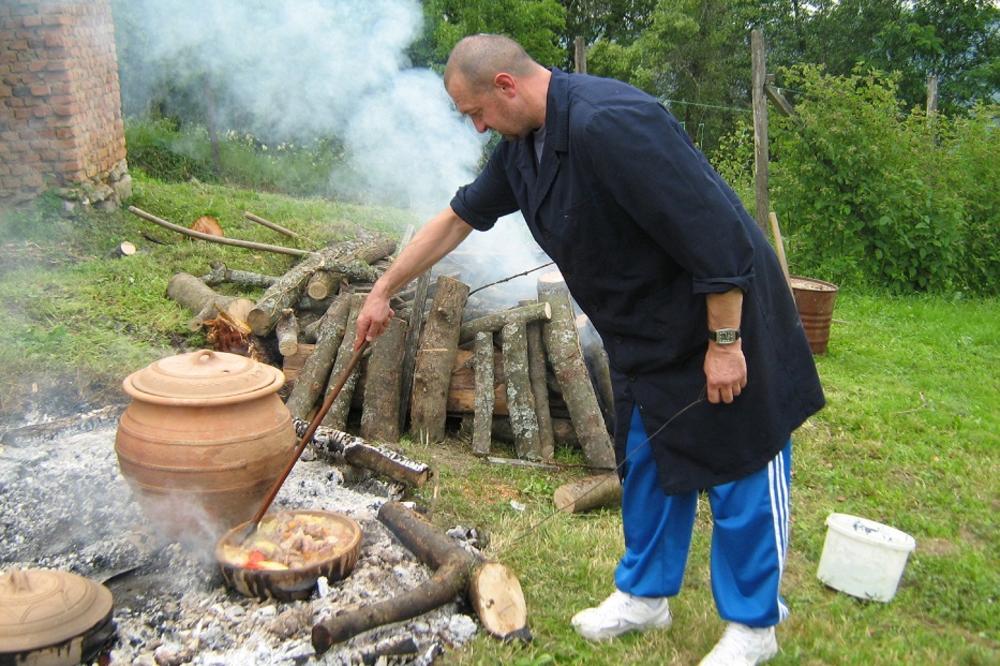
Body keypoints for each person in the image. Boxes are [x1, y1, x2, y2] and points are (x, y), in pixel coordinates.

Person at [355, 34, 824, 666]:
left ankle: (753, 625)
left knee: (742, 464)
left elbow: (715, 236)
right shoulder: (523, 149)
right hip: (645, 334)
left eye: (477, 112)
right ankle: (645, 595)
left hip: (721, 317)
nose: (476, 127)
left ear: (505, 86)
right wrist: (383, 288)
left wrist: (724, 343)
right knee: (648, 464)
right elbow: (457, 217)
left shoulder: (612, 124)